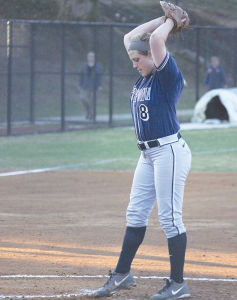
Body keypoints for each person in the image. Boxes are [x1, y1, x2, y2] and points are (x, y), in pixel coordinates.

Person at [93, 5, 192, 300]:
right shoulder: (145, 74)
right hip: (147, 155)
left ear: (152, 56)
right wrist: (164, 19)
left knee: (170, 219)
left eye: (138, 59)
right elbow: (130, 37)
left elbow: (156, 41)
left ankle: (178, 285)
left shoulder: (165, 76)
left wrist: (172, 23)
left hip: (169, 152)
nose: (134, 63)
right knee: (135, 214)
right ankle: (122, 275)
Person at [78, 51, 103, 119]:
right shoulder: (84, 65)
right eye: (90, 56)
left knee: (92, 101)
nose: (91, 58)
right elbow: (81, 75)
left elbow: (100, 76)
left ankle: (92, 115)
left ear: (94, 58)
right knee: (83, 98)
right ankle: (89, 112)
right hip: (85, 86)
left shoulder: (98, 66)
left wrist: (100, 85)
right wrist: (80, 84)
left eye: (92, 56)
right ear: (87, 57)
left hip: (94, 86)